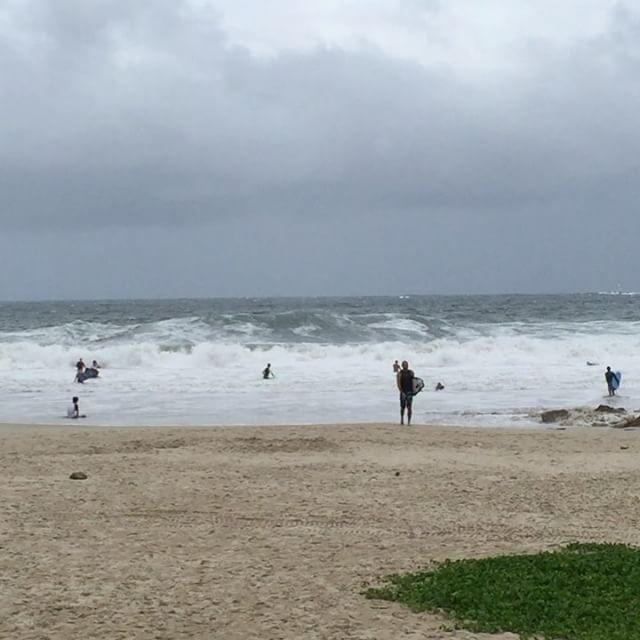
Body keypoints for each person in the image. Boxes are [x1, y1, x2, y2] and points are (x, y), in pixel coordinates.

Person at [396, 360, 415, 425]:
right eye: (404, 364)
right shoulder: (399, 373)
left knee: (409, 407)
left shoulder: (411, 372)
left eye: (406, 364)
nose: (406, 366)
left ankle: (409, 422)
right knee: (402, 407)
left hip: (410, 392)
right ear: (402, 365)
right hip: (403, 392)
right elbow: (398, 384)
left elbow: (414, 382)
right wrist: (402, 392)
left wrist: (415, 391)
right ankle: (402, 420)